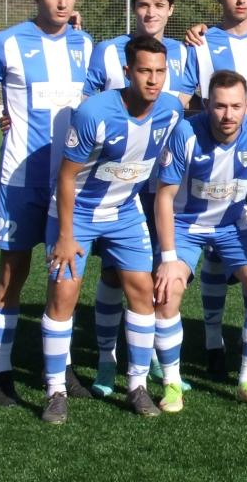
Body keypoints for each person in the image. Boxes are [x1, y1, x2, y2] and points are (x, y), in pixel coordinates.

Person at [41, 35, 183, 423]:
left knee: (143, 292)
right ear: (126, 72)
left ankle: (136, 386)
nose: (152, 80)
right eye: (143, 71)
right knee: (64, 295)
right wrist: (67, 236)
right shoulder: (94, 113)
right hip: (77, 214)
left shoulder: (170, 111)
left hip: (123, 211)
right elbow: (66, 178)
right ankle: (55, 389)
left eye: (159, 71)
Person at [0, 0, 94, 406]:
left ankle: (59, 368)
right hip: (20, 181)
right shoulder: (6, 43)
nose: (61, 3)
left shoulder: (86, 45)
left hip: (71, 183)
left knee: (65, 276)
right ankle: (1, 370)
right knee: (13, 272)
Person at [84, 0, 192, 398]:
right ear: (134, 7)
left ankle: (154, 364)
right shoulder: (107, 51)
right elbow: (85, 107)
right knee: (114, 272)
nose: (151, 12)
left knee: (154, 275)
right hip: (116, 185)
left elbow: (193, 109)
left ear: (171, 10)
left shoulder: (187, 52)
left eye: (159, 5)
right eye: (144, 4)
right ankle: (107, 358)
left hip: (163, 184)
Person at [173, 0, 247, 376]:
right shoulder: (199, 43)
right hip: (212, 163)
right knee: (216, 257)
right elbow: (184, 100)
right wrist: (216, 114)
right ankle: (214, 340)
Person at [153, 70, 247, 411]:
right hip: (186, 225)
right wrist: (168, 258)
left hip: (232, 225)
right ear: (207, 104)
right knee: (168, 291)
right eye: (221, 106)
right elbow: (164, 198)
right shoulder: (185, 134)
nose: (229, 115)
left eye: (236, 106)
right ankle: (171, 383)